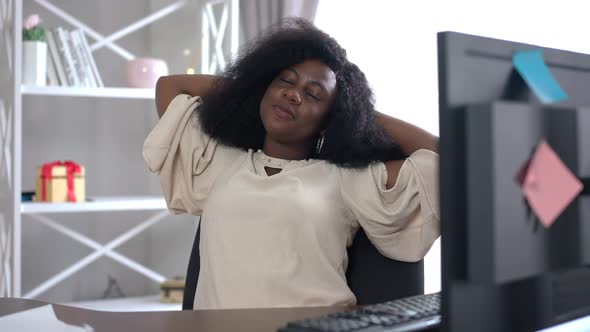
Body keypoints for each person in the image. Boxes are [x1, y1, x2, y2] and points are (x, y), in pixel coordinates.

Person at [143, 18, 439, 310]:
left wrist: (358, 116)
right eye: (285, 80)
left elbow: (443, 154)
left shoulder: (346, 179)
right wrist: (249, 87)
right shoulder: (221, 161)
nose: (293, 94)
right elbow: (171, 86)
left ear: (332, 117)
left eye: (313, 94)